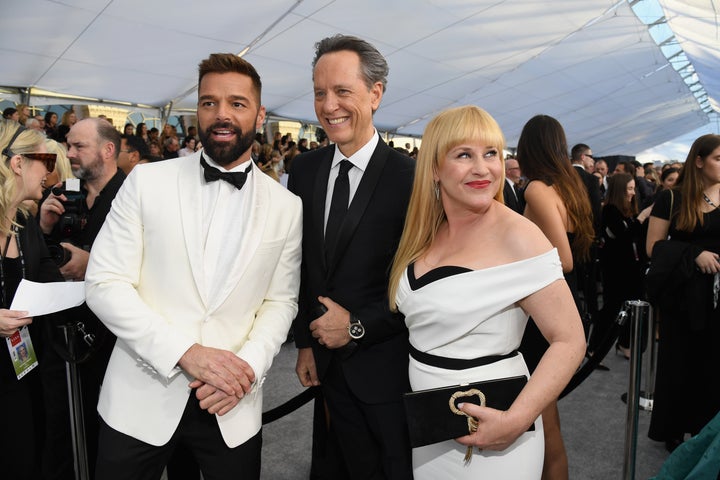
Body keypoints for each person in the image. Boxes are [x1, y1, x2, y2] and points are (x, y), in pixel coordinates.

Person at [84, 52, 302, 480]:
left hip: (231, 405)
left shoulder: (287, 206)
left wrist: (247, 371)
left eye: (237, 104)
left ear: (259, 116)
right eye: (209, 102)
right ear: (196, 112)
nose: (221, 114)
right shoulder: (146, 182)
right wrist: (186, 354)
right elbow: (104, 283)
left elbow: (281, 302)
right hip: (139, 402)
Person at [388, 105, 585, 479]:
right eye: (464, 154)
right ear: (434, 168)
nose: (483, 168)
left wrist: (517, 418)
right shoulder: (425, 232)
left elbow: (570, 340)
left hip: (497, 435)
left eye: (491, 153)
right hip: (431, 430)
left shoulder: (519, 236)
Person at [289, 34, 415, 479]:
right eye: (320, 92)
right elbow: (302, 265)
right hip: (324, 368)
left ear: (375, 94)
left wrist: (357, 326)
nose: (328, 105)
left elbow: (421, 283)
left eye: (342, 91)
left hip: (387, 373)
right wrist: (305, 341)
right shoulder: (303, 171)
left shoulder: (411, 179)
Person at [38, 117, 127, 478]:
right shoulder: (65, 192)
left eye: (79, 147)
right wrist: (43, 226)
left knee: (113, 431)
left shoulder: (133, 194)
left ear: (108, 150)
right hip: (64, 334)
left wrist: (94, 265)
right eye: (68, 146)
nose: (69, 154)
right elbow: (43, 258)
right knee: (70, 423)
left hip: (116, 337)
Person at [517, 115, 594, 480]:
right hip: (564, 302)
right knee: (546, 418)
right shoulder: (569, 186)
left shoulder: (536, 189)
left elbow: (561, 258)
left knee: (543, 422)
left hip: (543, 311)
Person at [646, 134, 720, 453]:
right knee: (679, 364)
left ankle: (708, 431)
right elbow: (653, 246)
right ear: (700, 161)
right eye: (719, 158)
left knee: (714, 365)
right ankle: (675, 428)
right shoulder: (672, 198)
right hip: (683, 296)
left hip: (718, 298)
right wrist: (693, 254)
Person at [0, 120, 64, 480]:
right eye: (46, 162)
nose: (51, 173)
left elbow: (50, 282)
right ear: (18, 164)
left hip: (22, 373)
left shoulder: (26, 226)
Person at [596, 173, 650, 359]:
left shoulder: (628, 210)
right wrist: (641, 217)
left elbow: (636, 234)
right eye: (629, 188)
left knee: (632, 308)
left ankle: (625, 343)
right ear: (619, 190)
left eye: (634, 188)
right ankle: (595, 346)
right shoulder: (610, 210)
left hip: (632, 268)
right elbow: (623, 235)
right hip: (616, 269)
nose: (633, 193)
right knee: (612, 308)